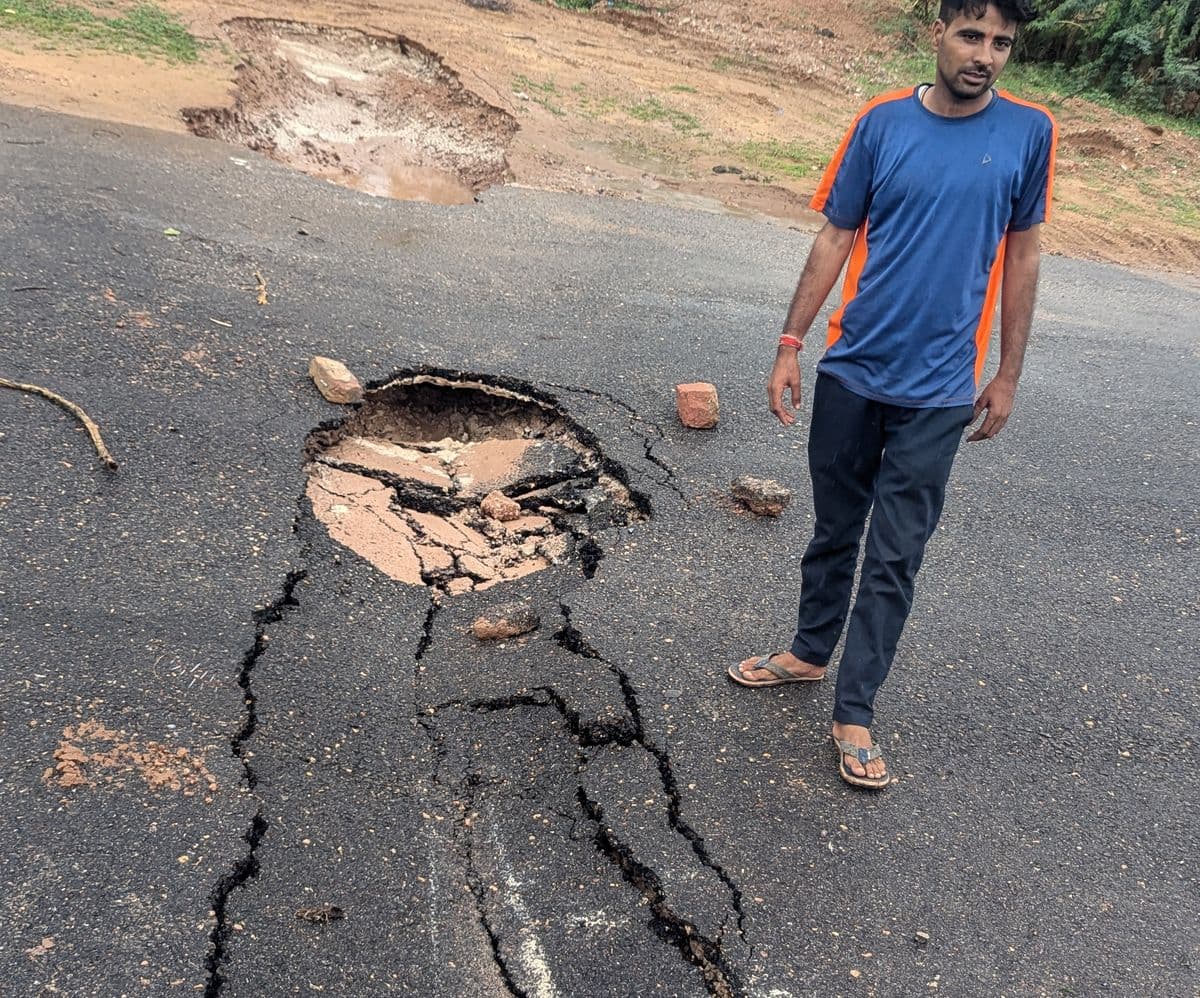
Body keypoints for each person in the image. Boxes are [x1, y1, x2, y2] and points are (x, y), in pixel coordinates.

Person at [728, 0, 1056, 790]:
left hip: (941, 390)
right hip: (851, 371)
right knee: (835, 528)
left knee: (896, 552)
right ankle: (810, 652)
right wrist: (788, 344)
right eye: (972, 35)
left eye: (1002, 43)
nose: (986, 54)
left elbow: (1024, 255)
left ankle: (856, 711)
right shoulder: (880, 123)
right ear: (937, 33)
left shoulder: (1029, 132)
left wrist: (1007, 373)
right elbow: (834, 237)